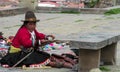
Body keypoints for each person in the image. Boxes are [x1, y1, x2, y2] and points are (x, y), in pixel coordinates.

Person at [0, 11, 76, 69]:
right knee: (37, 58)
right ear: (26, 24)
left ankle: (61, 62)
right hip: (17, 54)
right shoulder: (22, 31)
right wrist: (39, 42)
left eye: (34, 24)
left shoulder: (32, 30)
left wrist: (46, 36)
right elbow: (26, 43)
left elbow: (38, 35)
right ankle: (56, 64)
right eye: (30, 24)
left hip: (26, 51)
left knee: (45, 55)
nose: (33, 26)